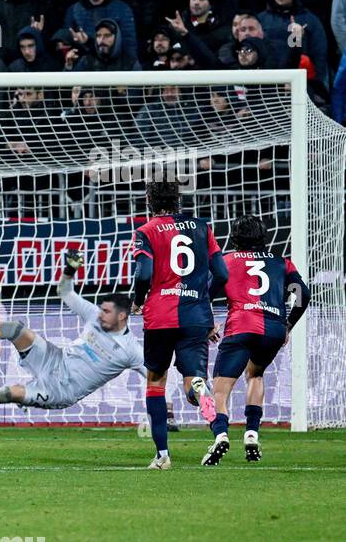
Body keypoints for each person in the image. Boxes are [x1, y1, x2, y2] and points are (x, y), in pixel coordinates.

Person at [0, 250, 146, 409]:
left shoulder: (131, 350)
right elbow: (65, 293)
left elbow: (157, 378)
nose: (101, 315)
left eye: (106, 312)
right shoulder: (94, 314)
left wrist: (167, 410)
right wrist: (70, 270)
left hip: (61, 391)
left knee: (7, 394)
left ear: (121, 316)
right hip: (54, 359)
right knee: (15, 329)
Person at [132, 179, 228, 470]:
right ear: (178, 200)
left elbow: (144, 272)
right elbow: (222, 274)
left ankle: (162, 456)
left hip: (160, 316)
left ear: (150, 200)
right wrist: (201, 299)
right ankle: (211, 413)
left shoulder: (146, 231)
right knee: (193, 380)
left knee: (156, 381)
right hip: (196, 316)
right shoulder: (202, 227)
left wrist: (138, 300)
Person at [203, 214, 311, 465]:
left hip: (241, 326)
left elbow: (205, 295)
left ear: (234, 238)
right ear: (264, 236)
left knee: (221, 388)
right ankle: (251, 434)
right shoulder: (282, 263)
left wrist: (209, 325)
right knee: (256, 374)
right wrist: (288, 326)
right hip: (272, 329)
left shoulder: (226, 261)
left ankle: (220, 435)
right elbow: (302, 294)